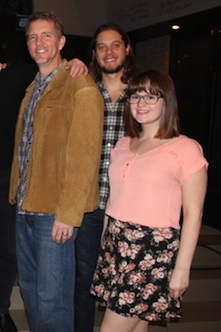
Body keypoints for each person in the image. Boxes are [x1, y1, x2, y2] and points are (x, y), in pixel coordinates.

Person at [0, 16, 88, 332]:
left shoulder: (13, 76)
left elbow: (54, 69)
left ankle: (0, 310)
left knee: (8, 249)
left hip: (5, 177)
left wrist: (77, 63)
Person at [91, 69, 208, 331]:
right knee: (138, 327)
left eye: (151, 97)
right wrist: (105, 240)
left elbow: (193, 214)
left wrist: (182, 269)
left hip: (151, 251)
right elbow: (114, 198)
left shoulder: (185, 148)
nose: (141, 103)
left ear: (167, 101)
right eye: (135, 96)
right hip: (116, 243)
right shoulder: (123, 143)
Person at [8, 11, 103, 332]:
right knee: (33, 294)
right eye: (33, 37)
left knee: (54, 300)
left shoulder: (80, 85)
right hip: (26, 207)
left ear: (61, 41)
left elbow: (86, 155)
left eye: (47, 35)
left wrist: (69, 213)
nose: (39, 43)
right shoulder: (33, 87)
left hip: (55, 213)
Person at [74, 23, 139, 332]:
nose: (109, 52)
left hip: (130, 204)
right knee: (84, 274)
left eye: (115, 45)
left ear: (127, 49)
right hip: (89, 200)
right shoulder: (84, 88)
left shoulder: (144, 93)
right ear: (94, 53)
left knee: (126, 278)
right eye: (101, 46)